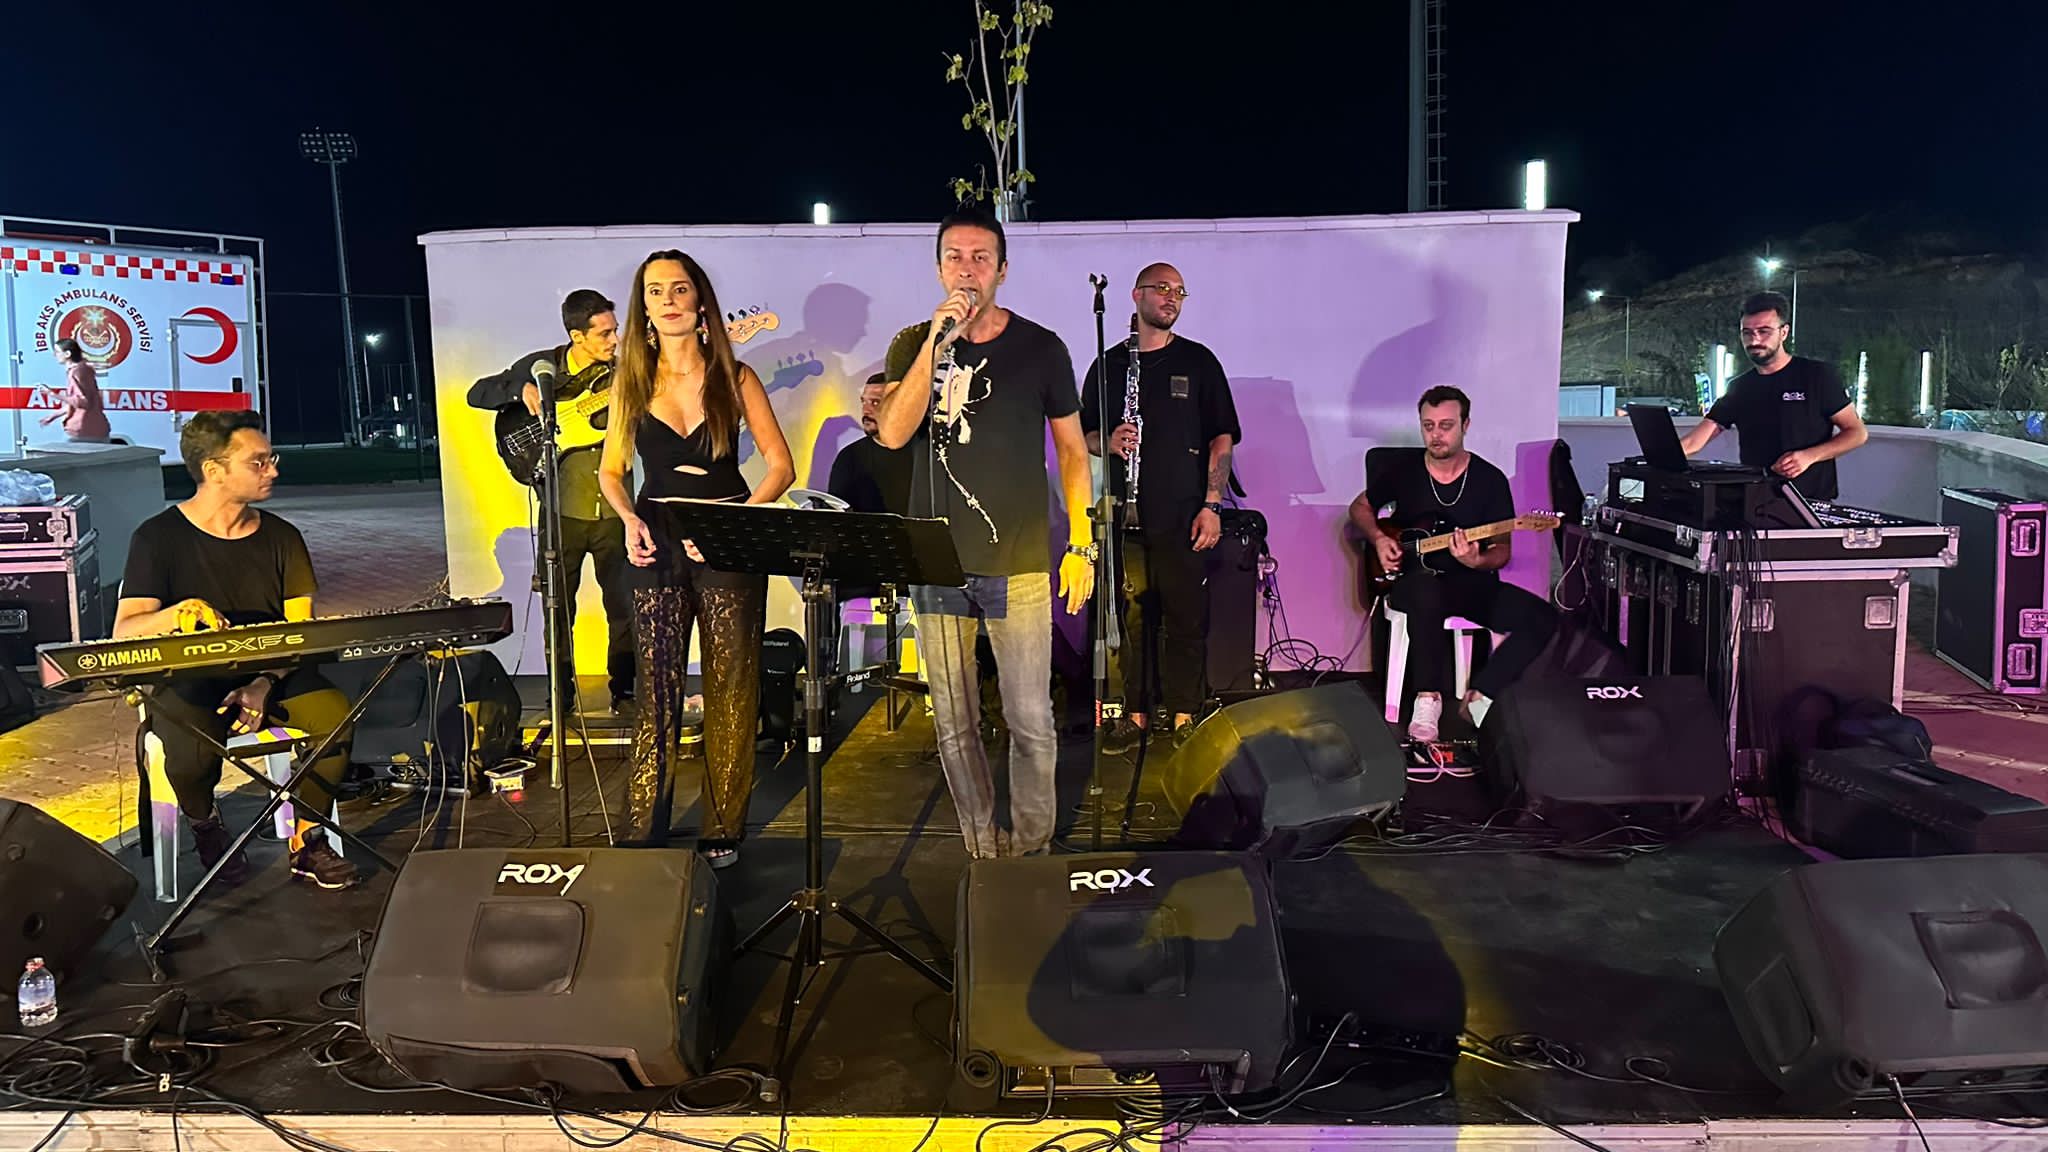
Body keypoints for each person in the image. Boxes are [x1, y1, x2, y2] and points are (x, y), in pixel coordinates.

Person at [873, 207, 1096, 859]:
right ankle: (982, 843)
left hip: (1017, 560)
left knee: (1030, 719)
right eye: (954, 257)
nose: (966, 270)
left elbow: (1073, 453)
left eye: (979, 258)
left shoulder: (1041, 348)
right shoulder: (914, 343)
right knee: (955, 722)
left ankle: (1032, 846)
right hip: (935, 561)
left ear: (1002, 269)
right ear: (938, 267)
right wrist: (935, 346)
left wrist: (1081, 544)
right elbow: (893, 433)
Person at [599, 250, 794, 867]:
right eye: (656, 291)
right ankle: (642, 834)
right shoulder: (630, 381)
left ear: (700, 299)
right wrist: (629, 518)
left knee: (730, 688)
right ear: (644, 306)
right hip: (655, 536)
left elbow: (780, 467)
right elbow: (610, 471)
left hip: (727, 535)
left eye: (679, 288)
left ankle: (722, 832)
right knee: (655, 690)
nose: (669, 300)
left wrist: (735, 525)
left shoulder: (735, 376)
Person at [112, 411, 355, 890]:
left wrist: (264, 682)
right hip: (189, 678)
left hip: (273, 672)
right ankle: (205, 823)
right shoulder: (157, 538)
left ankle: (307, 838)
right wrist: (176, 613)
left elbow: (300, 630)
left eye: (271, 458)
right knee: (190, 748)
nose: (273, 470)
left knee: (336, 717)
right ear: (214, 470)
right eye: (259, 462)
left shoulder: (282, 537)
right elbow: (126, 630)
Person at [1079, 263, 1240, 751]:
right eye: (1163, 288)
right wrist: (1107, 440)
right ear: (1136, 295)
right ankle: (1136, 715)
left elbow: (1222, 439)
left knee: (1185, 617)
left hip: (1185, 513)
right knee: (1132, 618)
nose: (1172, 297)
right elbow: (1082, 436)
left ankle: (1185, 714)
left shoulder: (1198, 362)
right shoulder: (1108, 365)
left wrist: (1212, 505)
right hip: (1125, 514)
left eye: (1180, 291)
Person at [1348, 386, 1556, 742]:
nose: (1436, 435)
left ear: (1465, 425)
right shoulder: (1405, 471)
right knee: (1426, 590)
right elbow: (1360, 507)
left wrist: (1477, 559)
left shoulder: (1489, 479)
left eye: (1446, 425)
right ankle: (1427, 698)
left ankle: (1482, 693)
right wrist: (1380, 539)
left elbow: (1501, 551)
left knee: (1542, 618)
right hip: (1412, 580)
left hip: (1470, 583)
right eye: (1428, 425)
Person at [468, 290, 635, 711]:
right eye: (605, 333)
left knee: (624, 606)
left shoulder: (625, 371)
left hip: (615, 509)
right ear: (577, 336)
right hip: (562, 509)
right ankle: (561, 695)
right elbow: (477, 393)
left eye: (615, 331)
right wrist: (519, 387)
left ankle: (626, 691)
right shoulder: (542, 367)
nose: (615, 340)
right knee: (558, 607)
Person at [1680, 291, 1868, 500]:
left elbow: (1856, 433)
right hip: (1756, 502)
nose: (1755, 340)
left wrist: (1810, 456)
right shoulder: (1739, 388)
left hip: (1810, 502)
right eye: (1747, 333)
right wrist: (1658, 457)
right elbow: (1694, 441)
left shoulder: (1817, 376)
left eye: (1764, 331)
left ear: (1783, 332)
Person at [826, 373, 915, 516]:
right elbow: (837, 516)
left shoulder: (924, 454)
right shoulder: (850, 457)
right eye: (864, 402)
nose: (866, 410)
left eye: (875, 402)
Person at [41, 339, 110, 443]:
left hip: (82, 430)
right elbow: (77, 403)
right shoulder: (85, 369)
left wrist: (53, 394)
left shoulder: (75, 372)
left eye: (57, 352)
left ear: (67, 354)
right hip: (99, 429)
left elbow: (82, 402)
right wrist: (53, 416)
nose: (54, 355)